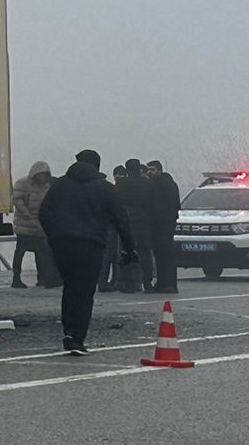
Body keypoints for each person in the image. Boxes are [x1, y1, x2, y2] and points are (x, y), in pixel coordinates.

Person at [38, 149, 140, 354]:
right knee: (85, 292)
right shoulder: (105, 188)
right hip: (91, 245)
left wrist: (54, 236)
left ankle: (68, 331)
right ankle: (78, 337)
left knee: (70, 288)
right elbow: (122, 220)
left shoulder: (59, 186)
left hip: (62, 245)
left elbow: (44, 214)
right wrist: (130, 249)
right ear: (97, 165)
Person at [9, 161, 58, 289]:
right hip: (24, 225)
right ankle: (16, 278)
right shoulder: (22, 183)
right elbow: (17, 200)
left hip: (40, 225)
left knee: (42, 253)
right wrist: (28, 215)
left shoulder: (47, 186)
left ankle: (42, 278)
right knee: (20, 252)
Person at [112, 162, 152, 293]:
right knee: (145, 253)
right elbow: (152, 203)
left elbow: (116, 203)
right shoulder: (147, 183)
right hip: (144, 223)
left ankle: (127, 283)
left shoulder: (122, 184)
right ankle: (146, 282)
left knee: (125, 252)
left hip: (126, 223)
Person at [145, 161, 181, 295]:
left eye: (152, 169)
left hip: (164, 226)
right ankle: (162, 283)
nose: (150, 172)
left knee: (166, 256)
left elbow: (169, 206)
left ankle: (169, 284)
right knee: (160, 255)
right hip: (160, 225)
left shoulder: (165, 185)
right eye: (148, 169)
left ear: (159, 170)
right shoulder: (160, 184)